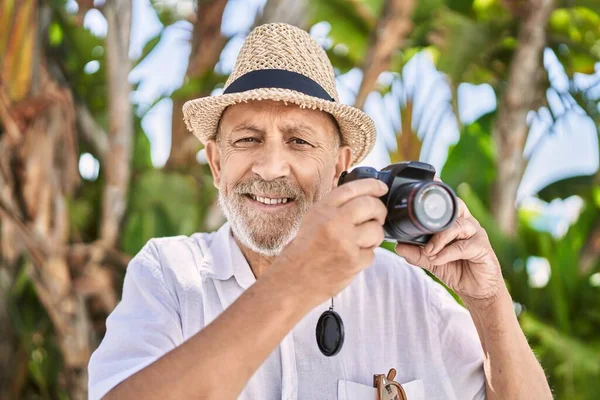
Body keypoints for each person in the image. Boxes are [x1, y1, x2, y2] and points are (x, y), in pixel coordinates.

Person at [88, 23, 552, 400]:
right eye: (247, 140)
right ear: (216, 163)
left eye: (299, 141)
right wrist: (300, 277)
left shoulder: (410, 294)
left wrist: (489, 304)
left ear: (340, 167)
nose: (270, 167)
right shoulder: (169, 274)